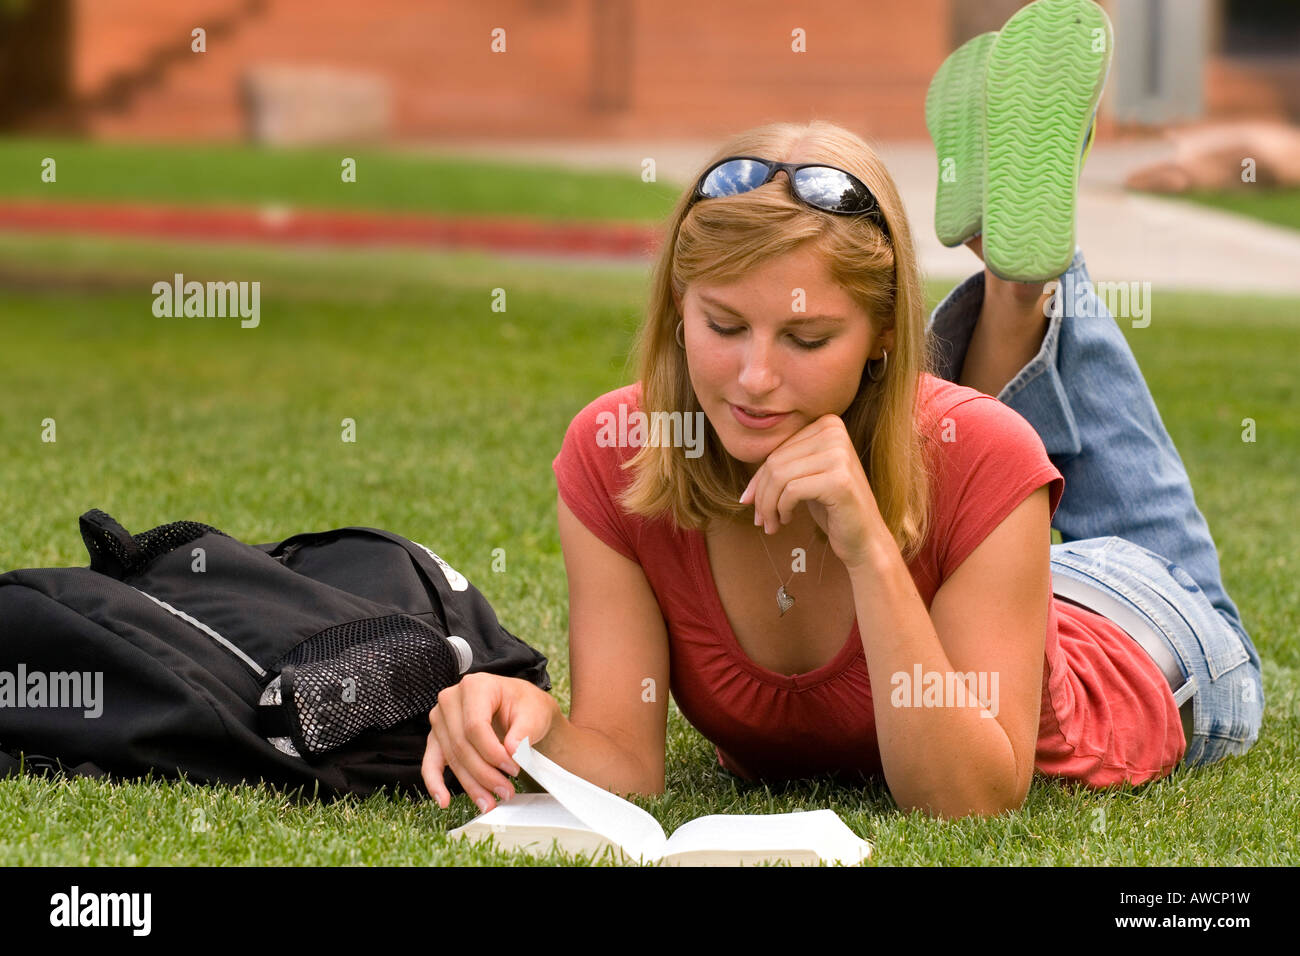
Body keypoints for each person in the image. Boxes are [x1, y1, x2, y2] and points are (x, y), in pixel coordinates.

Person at [422, 0, 1263, 819]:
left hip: (1145, 628)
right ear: (676, 306)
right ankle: (1012, 282)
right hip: (997, 577)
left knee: (981, 451)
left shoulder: (981, 451)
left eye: (806, 337)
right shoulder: (618, 451)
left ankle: (1032, 280)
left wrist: (868, 547)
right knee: (964, 450)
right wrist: (526, 730)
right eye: (722, 325)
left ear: (887, 333)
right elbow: (625, 763)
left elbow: (967, 800)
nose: (753, 377)